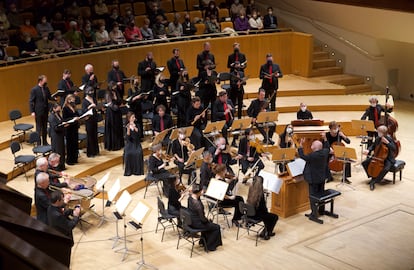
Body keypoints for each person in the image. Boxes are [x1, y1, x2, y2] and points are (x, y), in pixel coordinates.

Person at [298, 134, 330, 223]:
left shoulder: (312, 156)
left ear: (314, 148)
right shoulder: (325, 152)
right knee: (321, 193)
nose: (311, 145)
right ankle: (321, 210)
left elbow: (302, 156)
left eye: (312, 144)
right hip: (322, 178)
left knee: (313, 196)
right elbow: (327, 146)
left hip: (313, 179)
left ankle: (314, 214)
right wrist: (325, 138)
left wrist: (301, 145)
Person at [187, 184, 222, 251]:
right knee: (216, 227)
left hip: (191, 221)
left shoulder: (190, 198)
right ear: (199, 192)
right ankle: (209, 246)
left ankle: (203, 242)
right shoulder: (198, 205)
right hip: (197, 224)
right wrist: (208, 220)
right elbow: (203, 219)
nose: (203, 191)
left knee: (210, 224)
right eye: (202, 190)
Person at [362, 125, 396, 191]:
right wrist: (368, 150)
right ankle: (372, 176)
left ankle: (374, 181)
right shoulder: (378, 138)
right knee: (364, 163)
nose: (378, 133)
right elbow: (373, 145)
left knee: (386, 169)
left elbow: (394, 148)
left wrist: (388, 143)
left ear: (384, 133)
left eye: (379, 132)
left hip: (387, 158)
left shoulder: (389, 139)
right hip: (377, 157)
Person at [247, 176, 278, 240]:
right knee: (274, 217)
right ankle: (267, 232)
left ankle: (265, 231)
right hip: (258, 216)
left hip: (250, 214)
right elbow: (264, 210)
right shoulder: (260, 196)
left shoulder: (251, 190)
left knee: (267, 216)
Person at [29, 75, 55, 146]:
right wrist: (32, 112)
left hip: (45, 110)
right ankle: (38, 143)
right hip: (38, 111)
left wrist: (54, 98)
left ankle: (45, 142)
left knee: (45, 127)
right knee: (39, 128)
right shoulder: (34, 89)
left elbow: (49, 97)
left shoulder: (46, 88)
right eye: (45, 81)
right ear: (40, 81)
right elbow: (31, 101)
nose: (46, 82)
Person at [104, 81, 125, 151]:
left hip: (117, 112)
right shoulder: (108, 93)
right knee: (113, 128)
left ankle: (119, 144)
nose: (115, 87)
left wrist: (120, 102)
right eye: (114, 86)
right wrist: (116, 107)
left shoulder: (116, 92)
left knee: (118, 127)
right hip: (111, 113)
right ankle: (113, 145)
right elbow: (110, 103)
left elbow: (119, 100)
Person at [124, 112, 144, 176]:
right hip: (130, 143)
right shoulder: (126, 126)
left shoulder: (137, 125)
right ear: (129, 118)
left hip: (136, 143)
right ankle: (129, 171)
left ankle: (137, 171)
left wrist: (134, 127)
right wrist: (128, 129)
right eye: (132, 117)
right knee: (128, 153)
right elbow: (127, 138)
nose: (134, 118)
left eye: (134, 117)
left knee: (138, 153)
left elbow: (139, 135)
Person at [82, 87, 99, 158]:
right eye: (90, 91)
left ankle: (95, 151)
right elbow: (84, 111)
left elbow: (96, 106)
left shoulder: (94, 99)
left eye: (92, 91)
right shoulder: (84, 101)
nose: (91, 93)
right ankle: (91, 152)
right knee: (90, 136)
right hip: (88, 119)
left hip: (94, 118)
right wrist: (90, 106)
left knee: (95, 134)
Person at [62, 94, 80, 165]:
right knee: (70, 144)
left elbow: (77, 114)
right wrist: (73, 118)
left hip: (74, 127)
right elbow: (65, 119)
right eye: (72, 100)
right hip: (69, 128)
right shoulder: (65, 108)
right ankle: (70, 160)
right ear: (68, 100)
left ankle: (75, 158)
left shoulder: (74, 107)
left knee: (75, 143)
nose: (73, 101)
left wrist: (77, 117)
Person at [48, 103, 67, 169]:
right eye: (58, 108)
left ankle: (62, 165)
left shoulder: (58, 114)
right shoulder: (51, 117)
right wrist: (63, 126)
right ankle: (57, 167)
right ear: (54, 108)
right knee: (58, 151)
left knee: (61, 150)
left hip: (60, 135)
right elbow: (55, 128)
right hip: (56, 136)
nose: (60, 109)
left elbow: (61, 122)